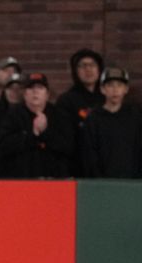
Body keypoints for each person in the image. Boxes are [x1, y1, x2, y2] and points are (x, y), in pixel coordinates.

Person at [0, 73, 73, 178]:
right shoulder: (13, 115)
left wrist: (45, 132)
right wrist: (32, 134)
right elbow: (4, 146)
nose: (35, 91)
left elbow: (67, 146)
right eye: (31, 88)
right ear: (25, 94)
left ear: (47, 94)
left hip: (53, 180)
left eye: (40, 88)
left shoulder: (59, 115)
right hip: (21, 180)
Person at [82, 67, 142, 179]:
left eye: (119, 85)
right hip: (102, 183)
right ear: (102, 89)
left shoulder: (135, 116)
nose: (115, 90)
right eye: (110, 85)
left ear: (126, 89)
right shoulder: (94, 118)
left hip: (133, 182)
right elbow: (89, 154)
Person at [56, 48, 105, 177]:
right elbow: (65, 140)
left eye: (92, 65)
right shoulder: (66, 100)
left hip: (105, 164)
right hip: (78, 166)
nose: (88, 69)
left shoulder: (107, 97)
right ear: (75, 71)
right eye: (82, 66)